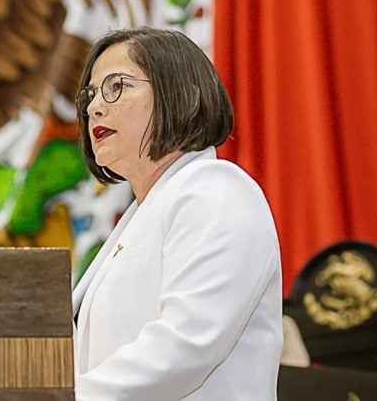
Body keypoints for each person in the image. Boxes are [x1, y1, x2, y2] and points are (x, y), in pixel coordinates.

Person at [72, 27, 283, 400]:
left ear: (182, 94)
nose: (94, 107)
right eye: (91, 94)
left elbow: (186, 344)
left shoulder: (215, 191)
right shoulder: (143, 214)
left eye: (116, 86)